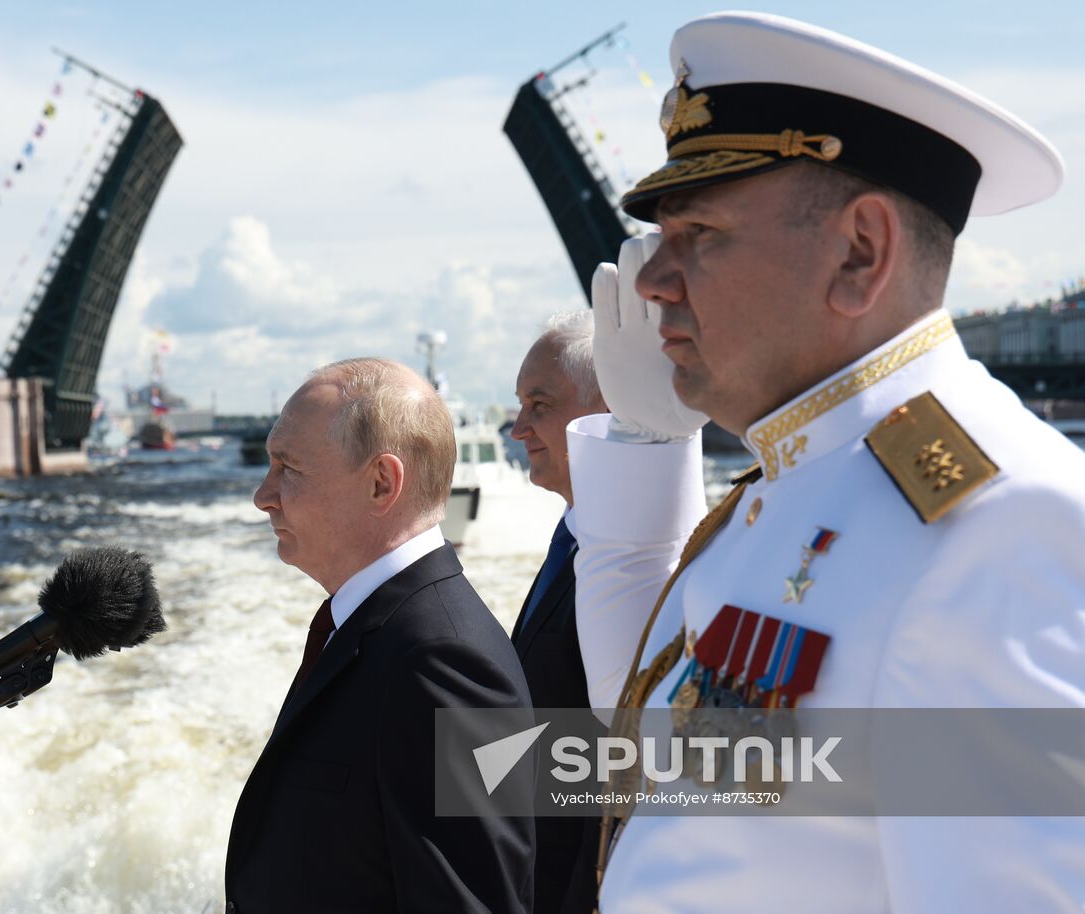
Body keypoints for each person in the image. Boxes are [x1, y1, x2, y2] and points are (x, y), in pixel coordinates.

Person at [564, 11, 1085, 913]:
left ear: (860, 252)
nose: (651, 280)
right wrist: (647, 444)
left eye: (701, 235)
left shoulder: (992, 527)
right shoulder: (792, 487)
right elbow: (656, 748)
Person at [225, 357, 535, 914]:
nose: (263, 495)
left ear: (381, 483)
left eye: (288, 468)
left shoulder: (444, 664)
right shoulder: (381, 632)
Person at [508, 311, 608, 914]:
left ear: (607, 409)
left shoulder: (642, 563)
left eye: (539, 405)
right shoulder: (575, 533)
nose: (518, 428)